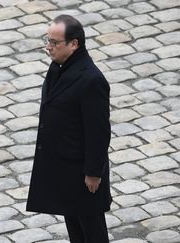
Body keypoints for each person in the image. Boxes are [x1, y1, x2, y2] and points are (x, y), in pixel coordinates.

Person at [26, 15, 112, 243]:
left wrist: (94, 172)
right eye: (48, 40)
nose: (48, 47)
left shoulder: (91, 80)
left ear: (74, 44)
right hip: (65, 168)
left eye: (54, 42)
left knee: (92, 231)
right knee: (75, 228)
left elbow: (99, 131)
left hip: (83, 173)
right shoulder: (59, 67)